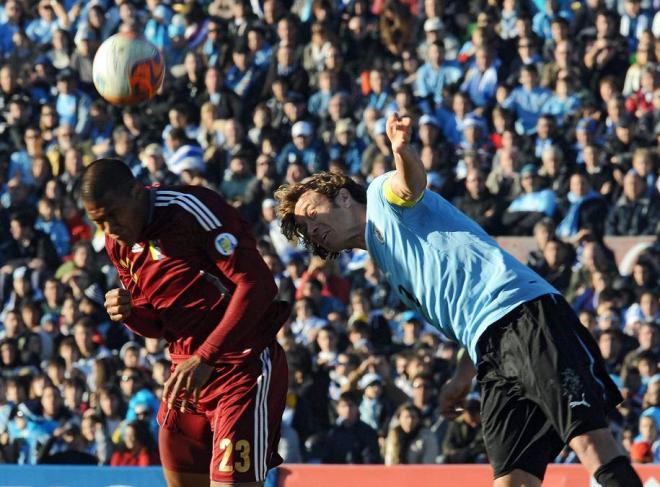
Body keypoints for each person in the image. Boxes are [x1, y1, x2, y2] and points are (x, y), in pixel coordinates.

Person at [274, 114, 641, 487]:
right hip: (490, 348)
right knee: (511, 480)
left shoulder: (379, 195)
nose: (310, 228)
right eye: (303, 230)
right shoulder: (387, 262)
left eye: (310, 213)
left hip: (526, 314)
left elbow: (411, 183)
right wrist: (462, 377)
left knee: (591, 443)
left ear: (341, 197)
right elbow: (469, 315)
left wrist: (402, 150)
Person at [80, 159, 291, 487]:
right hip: (185, 379)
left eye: (112, 215)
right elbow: (158, 324)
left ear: (137, 193)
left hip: (241, 369)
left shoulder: (191, 209)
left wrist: (207, 356)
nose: (108, 229)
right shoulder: (118, 244)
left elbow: (259, 284)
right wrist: (131, 313)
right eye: (98, 222)